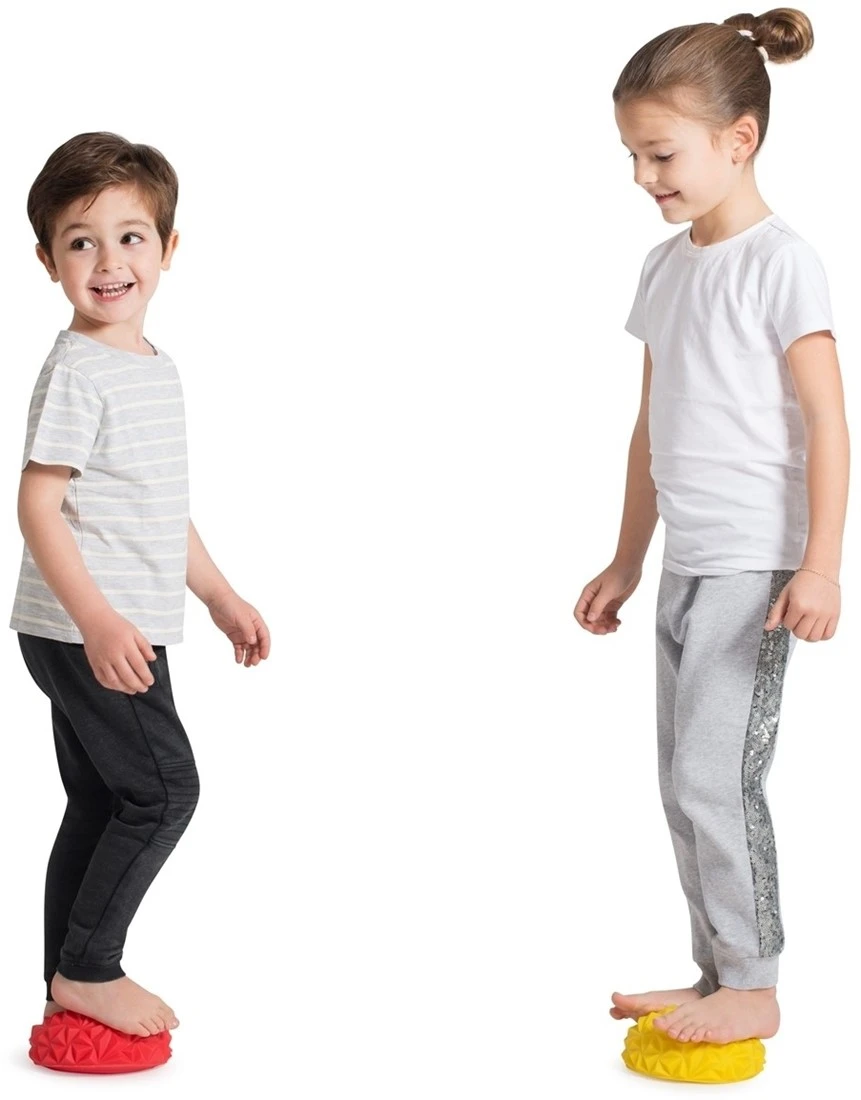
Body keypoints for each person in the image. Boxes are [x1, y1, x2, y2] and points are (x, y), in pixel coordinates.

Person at [573, 10, 848, 1045]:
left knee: (715, 776)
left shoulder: (783, 261)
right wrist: (625, 560)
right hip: (686, 560)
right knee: (679, 781)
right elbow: (652, 424)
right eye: (631, 155)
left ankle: (755, 981)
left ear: (739, 139)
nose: (642, 176)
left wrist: (820, 566)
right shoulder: (665, 269)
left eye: (660, 153)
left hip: (757, 566)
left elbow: (827, 420)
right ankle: (714, 971)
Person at [11, 133, 271, 1039]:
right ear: (48, 261)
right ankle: (89, 970)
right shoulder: (80, 371)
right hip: (89, 629)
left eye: (131, 237)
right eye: (80, 242)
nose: (108, 261)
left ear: (168, 248)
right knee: (163, 793)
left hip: (107, 626)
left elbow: (160, 509)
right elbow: (36, 505)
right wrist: (96, 621)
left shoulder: (150, 365)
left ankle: (64, 979)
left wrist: (219, 596)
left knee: (102, 799)